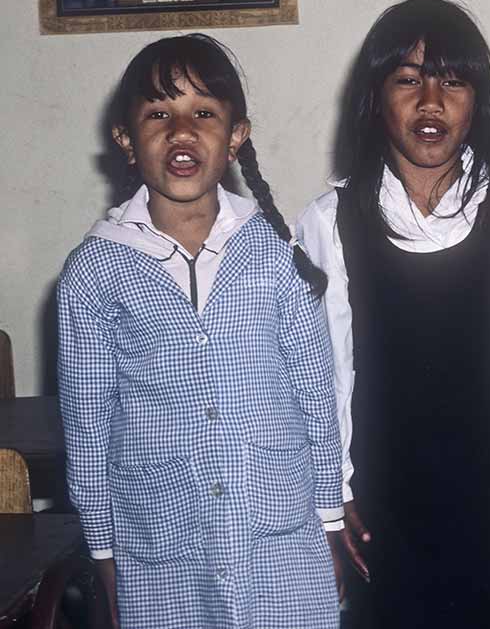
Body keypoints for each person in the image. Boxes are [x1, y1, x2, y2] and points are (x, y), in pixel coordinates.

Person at [295, 0, 490, 628]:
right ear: (374, 98)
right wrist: (335, 492)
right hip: (385, 492)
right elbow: (326, 374)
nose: (430, 101)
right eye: (408, 80)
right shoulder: (329, 222)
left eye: (452, 81)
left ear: (478, 101)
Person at [57, 34, 346, 628]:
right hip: (159, 545)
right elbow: (87, 423)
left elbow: (316, 392)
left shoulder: (276, 252)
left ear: (236, 136)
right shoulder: (95, 269)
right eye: (159, 114)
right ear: (126, 139)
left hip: (279, 536)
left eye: (204, 114)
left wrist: (330, 518)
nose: (182, 132)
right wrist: (104, 549)